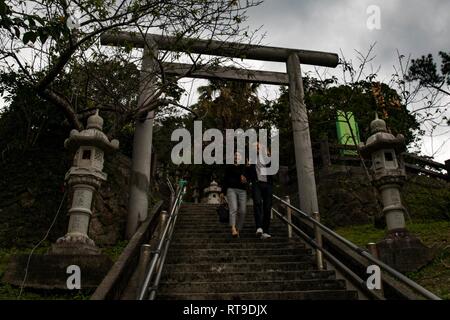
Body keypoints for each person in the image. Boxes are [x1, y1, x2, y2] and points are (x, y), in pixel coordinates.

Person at [247, 142, 274, 239]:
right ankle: (259, 227)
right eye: (255, 147)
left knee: (267, 207)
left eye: (258, 146)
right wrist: (248, 166)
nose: (257, 148)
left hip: (268, 184)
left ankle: (266, 230)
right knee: (257, 203)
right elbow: (249, 173)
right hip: (257, 184)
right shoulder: (251, 158)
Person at [222, 151, 248, 238]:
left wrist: (245, 179)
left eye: (239, 155)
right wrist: (223, 191)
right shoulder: (229, 167)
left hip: (242, 190)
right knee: (234, 208)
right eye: (235, 155)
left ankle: (238, 229)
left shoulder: (244, 167)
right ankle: (233, 228)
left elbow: (248, 179)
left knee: (243, 211)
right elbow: (225, 179)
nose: (237, 157)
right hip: (231, 189)